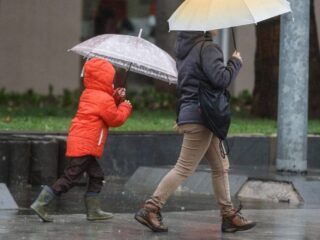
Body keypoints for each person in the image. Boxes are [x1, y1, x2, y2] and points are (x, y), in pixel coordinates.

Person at [134, 31, 256, 233]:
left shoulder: (186, 51)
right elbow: (221, 79)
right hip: (203, 116)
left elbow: (184, 86)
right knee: (184, 168)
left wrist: (182, 116)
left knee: (220, 166)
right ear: (205, 26)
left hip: (197, 115)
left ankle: (228, 215)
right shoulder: (208, 48)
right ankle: (151, 208)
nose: (218, 26)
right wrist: (235, 62)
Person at [30, 58, 132, 222]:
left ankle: (93, 211)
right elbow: (115, 119)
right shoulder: (102, 99)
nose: (112, 82)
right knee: (70, 177)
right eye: (111, 79)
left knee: (97, 175)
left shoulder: (89, 93)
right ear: (104, 79)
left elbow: (103, 105)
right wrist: (125, 106)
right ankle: (41, 203)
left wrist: (115, 96)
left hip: (81, 141)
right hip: (86, 145)